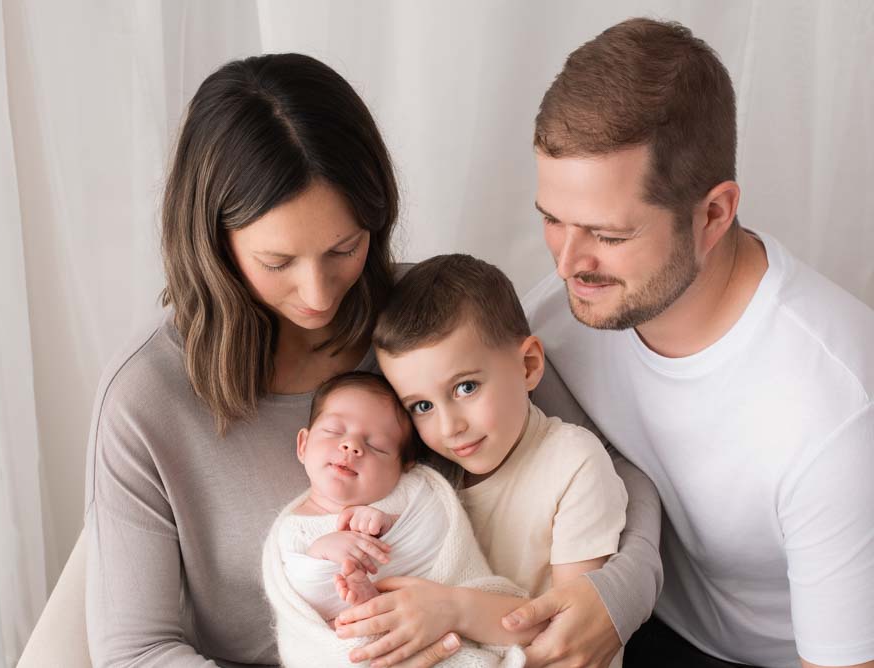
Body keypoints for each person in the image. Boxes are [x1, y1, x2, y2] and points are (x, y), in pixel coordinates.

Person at [84, 52, 662, 667]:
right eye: (278, 263)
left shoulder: (422, 318)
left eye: (344, 248)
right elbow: (134, 652)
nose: (318, 294)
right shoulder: (146, 398)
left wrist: (612, 601)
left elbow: (611, 472)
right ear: (212, 245)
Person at [518, 17, 874, 668]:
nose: (568, 263)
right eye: (552, 220)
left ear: (713, 214)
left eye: (608, 234)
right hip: (639, 618)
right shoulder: (557, 320)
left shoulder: (835, 411)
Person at [372, 254, 628, 668]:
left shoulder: (572, 462)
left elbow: (572, 636)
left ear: (528, 366)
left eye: (465, 387)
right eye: (421, 405)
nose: (449, 427)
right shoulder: (430, 478)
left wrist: (452, 610)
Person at [262, 371, 528, 667]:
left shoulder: (413, 492)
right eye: (334, 431)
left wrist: (388, 522)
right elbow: (304, 596)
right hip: (354, 648)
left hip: (442, 631)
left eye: (376, 446)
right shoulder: (294, 528)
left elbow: (429, 533)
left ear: (403, 467)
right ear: (303, 445)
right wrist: (325, 553)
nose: (351, 446)